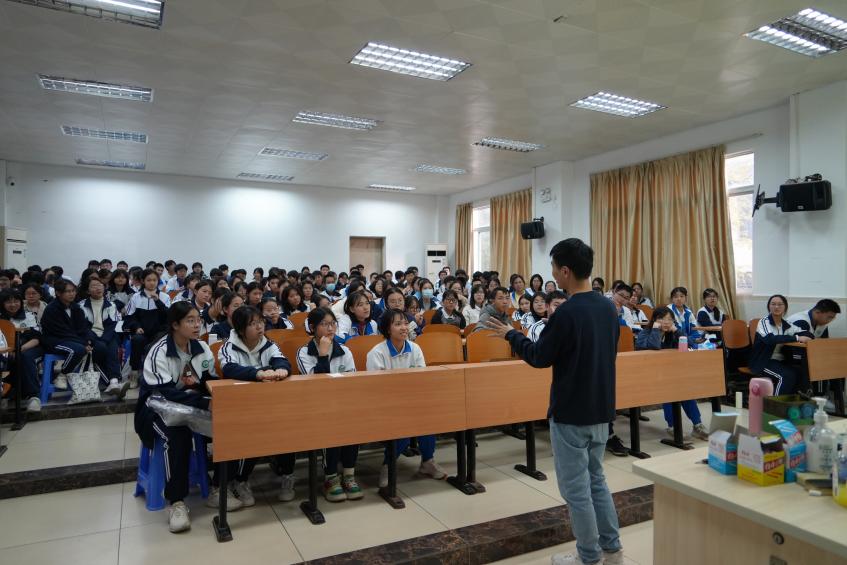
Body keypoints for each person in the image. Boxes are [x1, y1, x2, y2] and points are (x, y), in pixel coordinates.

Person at [483, 238, 624, 565]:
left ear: (565, 271)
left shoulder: (567, 312)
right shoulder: (608, 308)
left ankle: (589, 557)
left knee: (576, 490)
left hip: (571, 410)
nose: (552, 273)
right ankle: (612, 549)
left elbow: (539, 356)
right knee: (597, 480)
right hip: (602, 407)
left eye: (553, 267)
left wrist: (511, 335)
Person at [134, 301, 238, 532]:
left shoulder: (201, 348)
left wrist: (212, 393)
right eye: (190, 321)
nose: (197, 325)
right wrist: (204, 402)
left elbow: (209, 380)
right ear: (175, 325)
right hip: (156, 409)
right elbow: (163, 392)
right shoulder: (159, 351)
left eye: (198, 320)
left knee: (229, 426)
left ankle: (218, 488)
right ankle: (177, 502)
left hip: (190, 405)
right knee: (177, 436)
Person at [218, 306, 291, 505]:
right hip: (240, 406)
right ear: (241, 329)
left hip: (268, 403)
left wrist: (282, 370)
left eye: (261, 322)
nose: (260, 327)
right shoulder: (228, 347)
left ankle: (287, 474)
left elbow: (282, 362)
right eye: (253, 324)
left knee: (288, 425)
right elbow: (230, 369)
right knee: (248, 432)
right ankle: (239, 480)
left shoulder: (268, 343)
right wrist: (258, 373)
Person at [367, 308, 447, 488]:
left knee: (428, 419)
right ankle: (388, 465)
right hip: (386, 405)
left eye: (405, 323)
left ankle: (427, 462)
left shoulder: (415, 348)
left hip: (412, 401)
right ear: (387, 329)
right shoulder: (377, 353)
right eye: (397, 324)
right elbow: (376, 389)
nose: (404, 327)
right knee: (404, 425)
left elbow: (422, 380)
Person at [296, 308, 363, 502]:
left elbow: (351, 382)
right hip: (315, 404)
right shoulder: (304, 352)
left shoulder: (345, 350)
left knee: (353, 421)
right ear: (312, 327)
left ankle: (349, 475)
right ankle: (330, 477)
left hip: (342, 402)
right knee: (328, 423)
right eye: (324, 324)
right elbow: (315, 383)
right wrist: (323, 355)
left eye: (333, 323)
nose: (330, 328)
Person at [635, 307, 709, 440]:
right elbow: (654, 347)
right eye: (661, 319)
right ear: (654, 320)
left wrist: (676, 331)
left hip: (669, 374)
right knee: (669, 391)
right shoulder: (644, 333)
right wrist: (656, 330)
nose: (666, 322)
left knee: (685, 391)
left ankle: (697, 425)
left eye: (669, 319)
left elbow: (691, 345)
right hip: (649, 375)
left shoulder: (673, 333)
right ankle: (672, 426)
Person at [78, 278, 129, 399]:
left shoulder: (111, 305)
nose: (98, 288)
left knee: (112, 347)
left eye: (100, 285)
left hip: (107, 336)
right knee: (101, 349)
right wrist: (95, 340)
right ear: (88, 291)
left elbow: (113, 325)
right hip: (90, 337)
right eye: (94, 286)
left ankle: (113, 382)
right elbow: (83, 327)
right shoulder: (81, 306)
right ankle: (112, 382)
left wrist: (104, 340)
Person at [749, 295, 810, 395]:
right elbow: (770, 339)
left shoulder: (787, 324)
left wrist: (807, 336)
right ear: (769, 307)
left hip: (780, 360)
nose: (776, 307)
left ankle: (790, 401)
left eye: (780, 304)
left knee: (800, 372)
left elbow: (805, 332)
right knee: (786, 376)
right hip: (763, 361)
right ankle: (775, 403)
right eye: (773, 304)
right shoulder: (764, 322)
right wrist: (796, 338)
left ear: (785, 307)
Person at [123, 269, 171, 381]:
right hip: (142, 331)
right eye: (149, 280)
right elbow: (129, 317)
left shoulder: (165, 297)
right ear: (143, 281)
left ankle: (156, 375)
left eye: (154, 280)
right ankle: (134, 373)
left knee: (156, 345)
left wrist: (158, 301)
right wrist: (136, 327)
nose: (152, 283)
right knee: (137, 340)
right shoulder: (136, 297)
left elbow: (169, 316)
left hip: (159, 332)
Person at [0, 289, 43, 411]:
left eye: (16, 301)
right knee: (5, 359)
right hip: (6, 350)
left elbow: (36, 339)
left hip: (30, 347)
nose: (13, 305)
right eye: (9, 302)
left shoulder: (29, 316)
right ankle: (6, 394)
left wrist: (19, 349)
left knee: (24, 357)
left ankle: (33, 396)